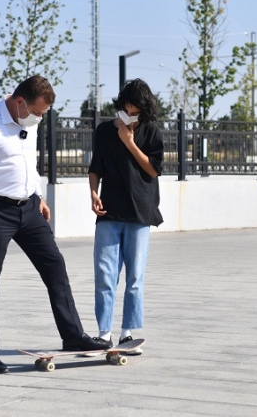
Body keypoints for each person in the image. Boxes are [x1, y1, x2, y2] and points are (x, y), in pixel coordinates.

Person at [0, 75, 111, 374]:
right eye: (37, 112)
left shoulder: (30, 121)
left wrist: (38, 195)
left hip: (28, 208)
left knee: (55, 267)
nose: (40, 117)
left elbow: (29, 161)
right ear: (19, 102)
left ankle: (73, 337)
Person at [88, 79, 164, 355]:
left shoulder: (152, 133)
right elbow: (96, 167)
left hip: (140, 212)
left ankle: (127, 334)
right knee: (105, 274)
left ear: (143, 112)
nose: (128, 116)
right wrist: (93, 193)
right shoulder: (104, 131)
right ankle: (103, 333)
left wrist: (130, 142)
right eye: (125, 110)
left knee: (134, 278)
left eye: (134, 112)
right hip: (109, 213)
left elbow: (153, 170)